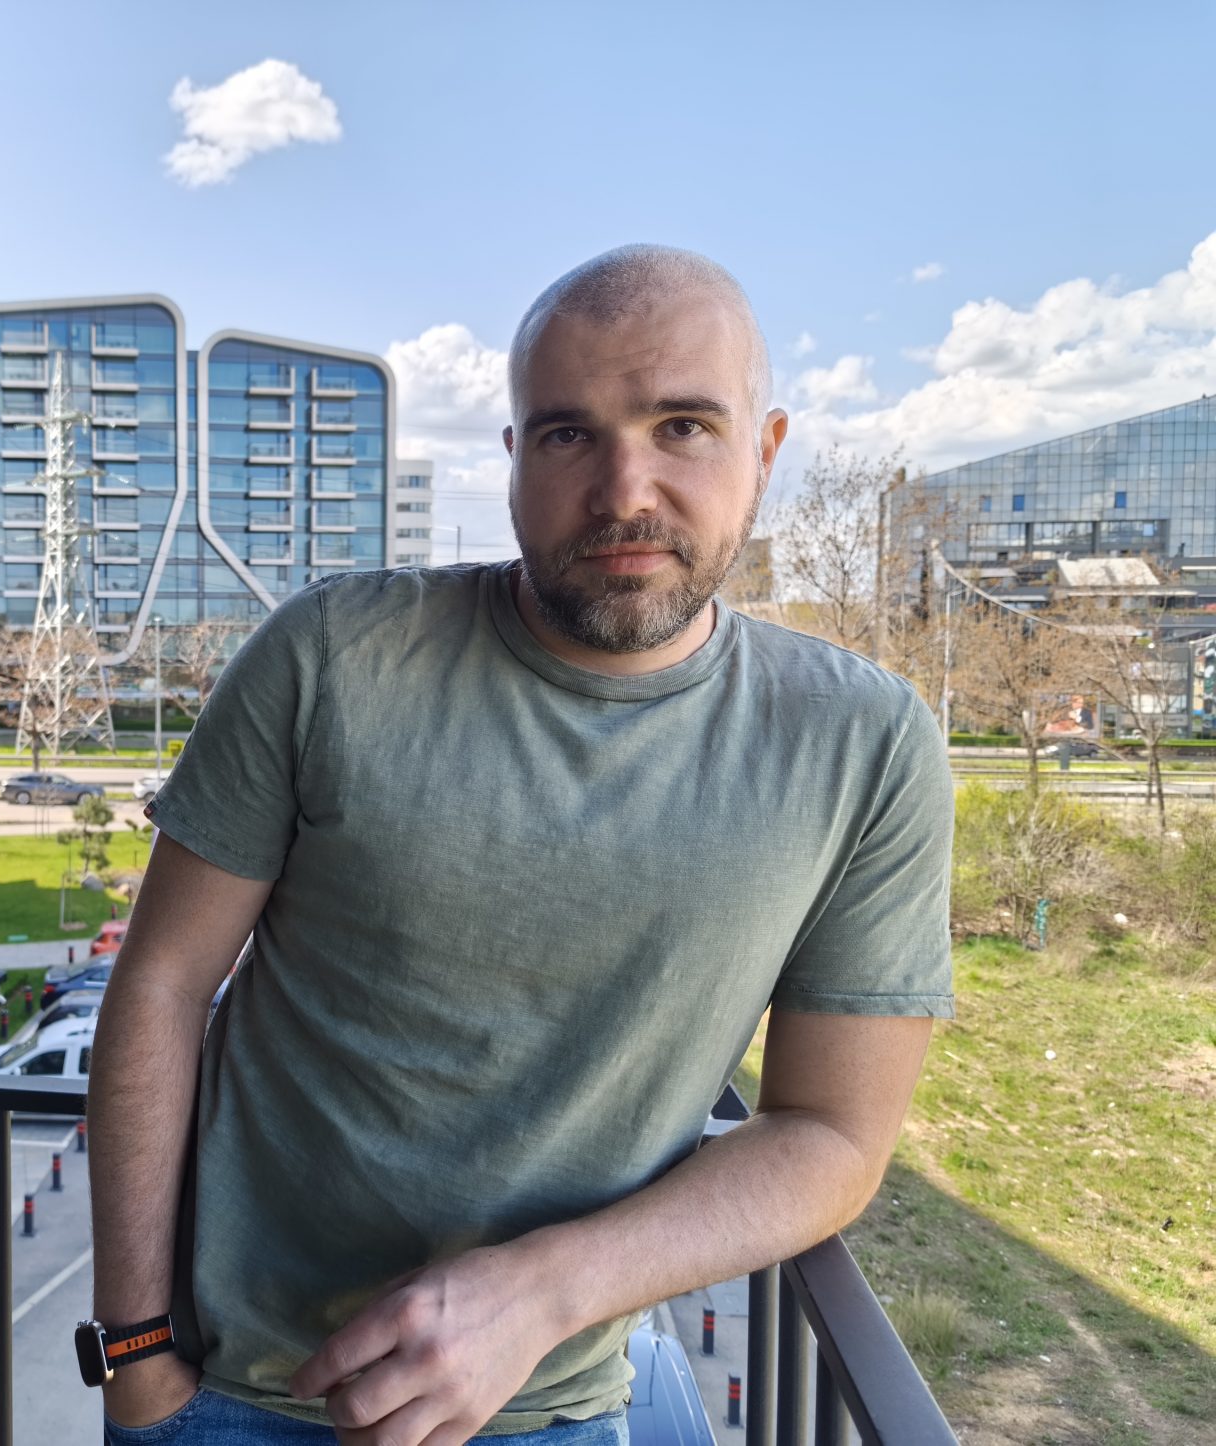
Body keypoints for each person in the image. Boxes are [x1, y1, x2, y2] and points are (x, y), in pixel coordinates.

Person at [83, 246, 953, 1446]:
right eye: (567, 434)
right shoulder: (331, 656)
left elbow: (832, 1136)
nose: (624, 490)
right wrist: (134, 1356)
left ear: (764, 448)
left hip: (551, 1406)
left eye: (684, 426)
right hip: (228, 1397)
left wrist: (545, 1292)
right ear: (513, 456)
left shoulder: (865, 745)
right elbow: (163, 981)